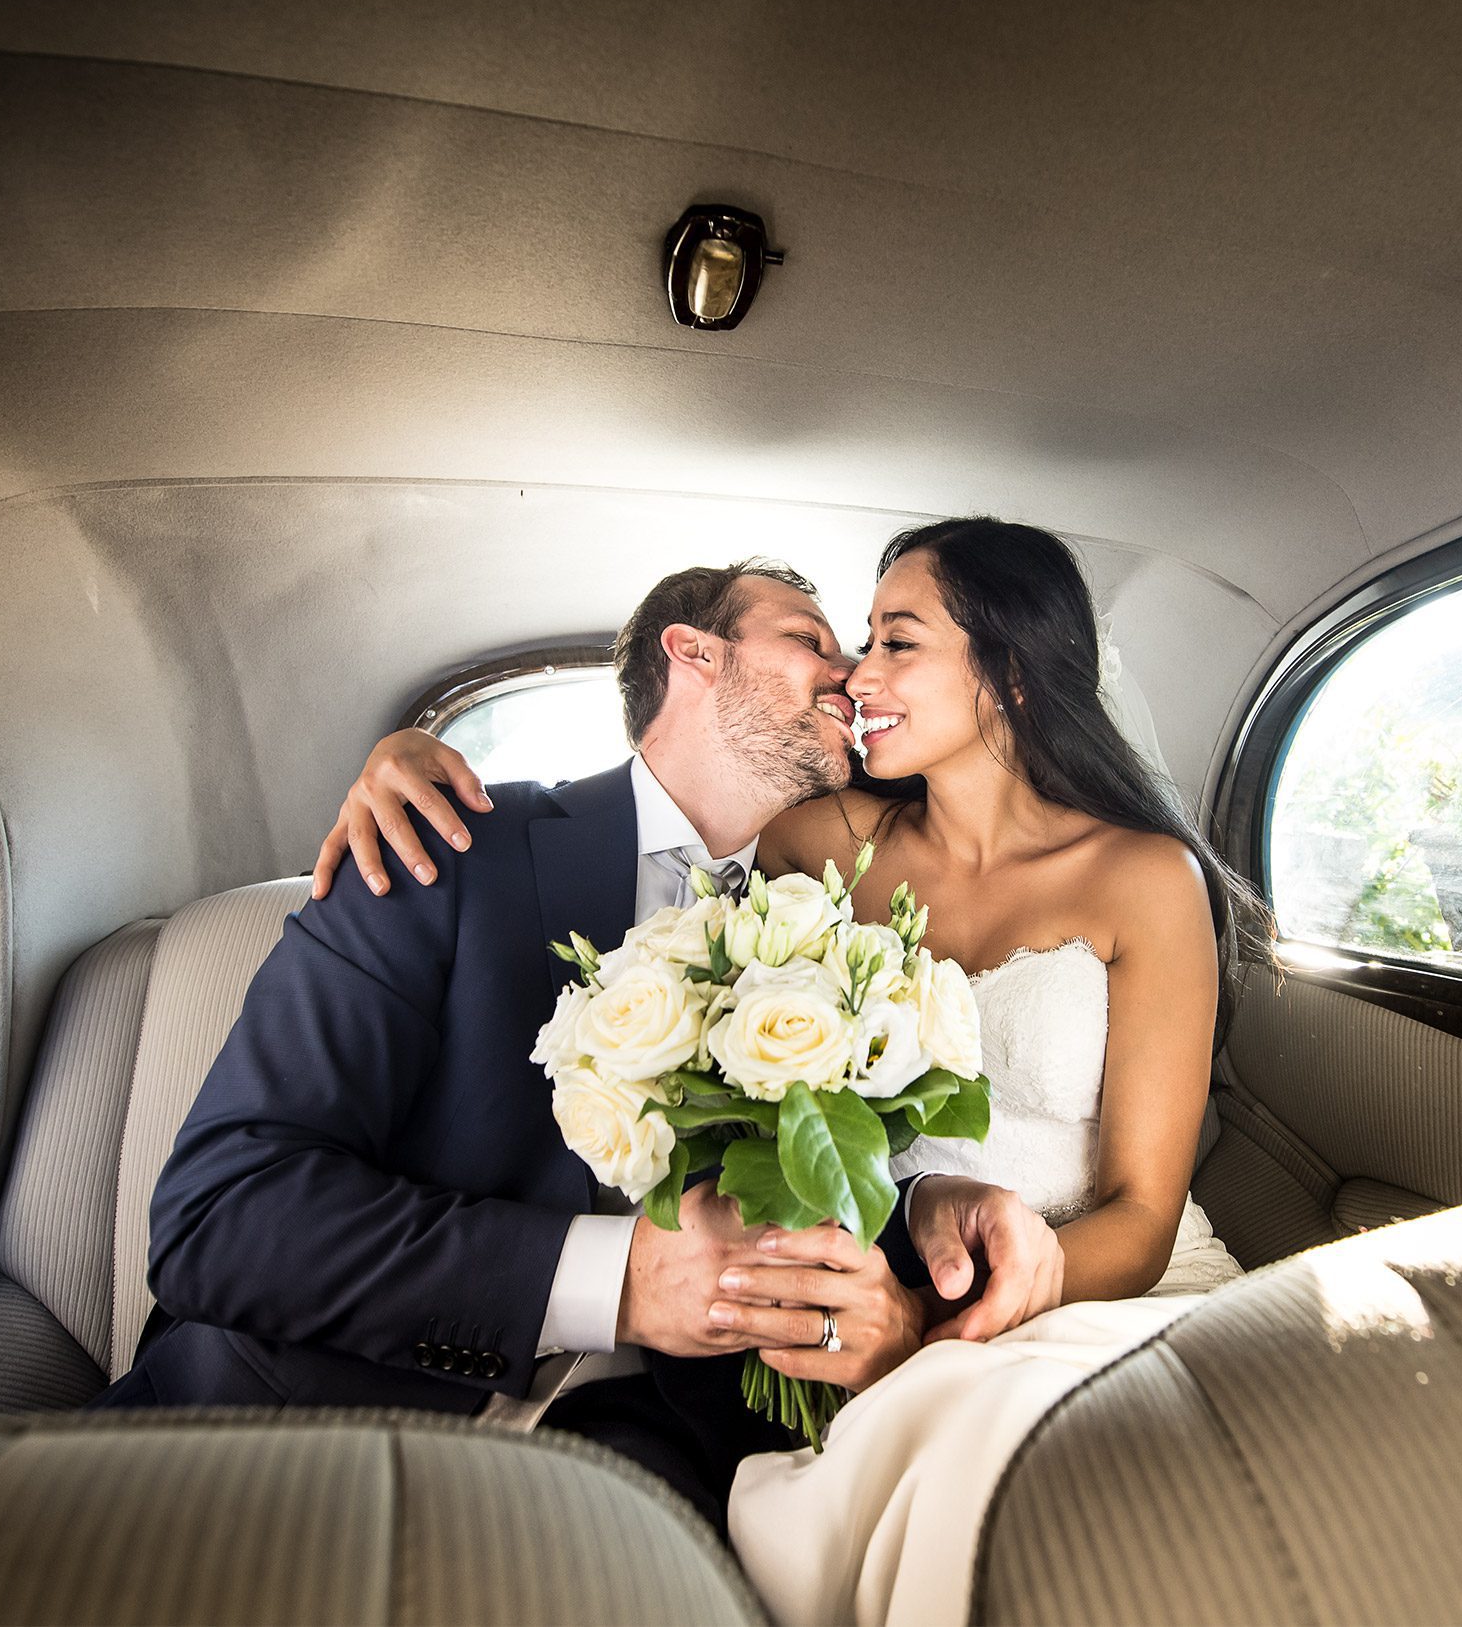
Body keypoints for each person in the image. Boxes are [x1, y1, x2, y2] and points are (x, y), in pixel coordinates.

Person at [320, 518, 1264, 1620]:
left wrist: (953, 1328)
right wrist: (404, 760)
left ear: (1007, 669)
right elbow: (674, 799)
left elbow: (1144, 1213)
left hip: (1099, 1286)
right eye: (853, 641)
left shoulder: (1143, 875)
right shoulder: (811, 840)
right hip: (878, 1278)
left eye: (894, 642)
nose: (857, 673)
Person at [102, 559, 1063, 1531]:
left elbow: (773, 1188)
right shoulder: (442, 842)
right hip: (288, 1439)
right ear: (691, 653)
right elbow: (219, 1216)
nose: (852, 674)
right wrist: (622, 1283)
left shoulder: (837, 922)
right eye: (810, 640)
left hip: (648, 1482)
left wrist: (930, 1206)